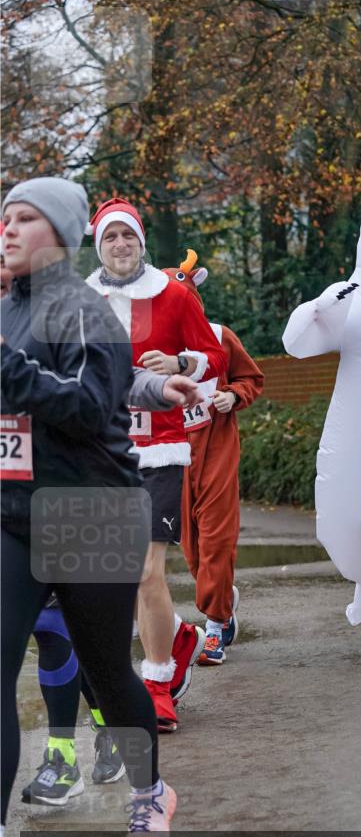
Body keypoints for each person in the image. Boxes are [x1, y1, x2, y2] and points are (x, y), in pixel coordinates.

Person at [1, 178, 199, 837]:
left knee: (107, 676)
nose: (9, 228)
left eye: (25, 218)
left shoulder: (81, 308)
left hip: (91, 512)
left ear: (58, 231)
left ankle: (150, 793)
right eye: (4, 218)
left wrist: (5, 368)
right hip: (15, 516)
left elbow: (87, 407)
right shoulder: (7, 311)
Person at [85, 199, 227, 730]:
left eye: (128, 236)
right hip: (98, 452)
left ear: (142, 241)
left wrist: (181, 361)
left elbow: (213, 356)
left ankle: (159, 679)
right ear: (99, 245)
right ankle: (179, 637)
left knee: (146, 572)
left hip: (159, 451)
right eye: (110, 237)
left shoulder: (172, 294)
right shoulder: (81, 300)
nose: (120, 244)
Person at [163, 250, 264, 664]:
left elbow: (251, 378)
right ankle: (223, 600)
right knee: (192, 548)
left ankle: (216, 625)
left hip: (217, 446)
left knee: (217, 539)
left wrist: (232, 396)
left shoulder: (219, 336)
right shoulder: (151, 347)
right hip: (173, 452)